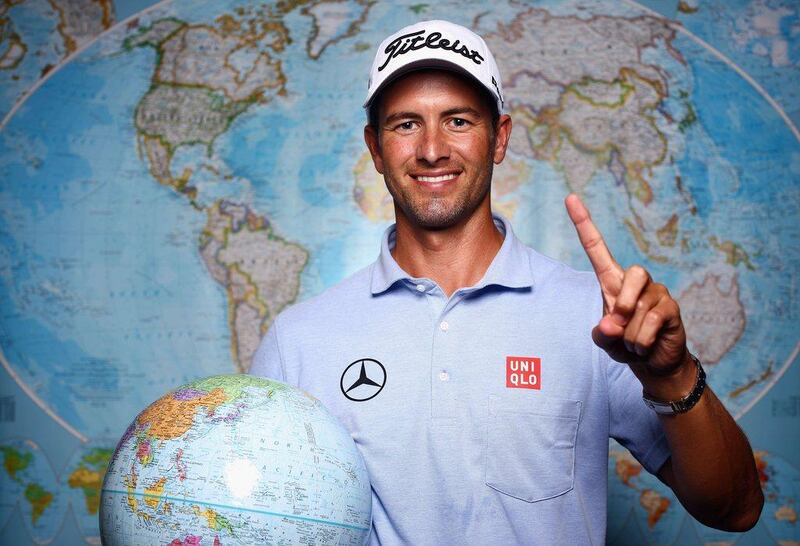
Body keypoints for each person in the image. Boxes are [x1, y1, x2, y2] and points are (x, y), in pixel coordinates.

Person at [251, 19, 763, 544]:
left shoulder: (599, 318)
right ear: (375, 148)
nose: (431, 149)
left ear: (499, 138)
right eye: (406, 124)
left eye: (458, 121)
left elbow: (737, 508)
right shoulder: (298, 342)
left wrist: (674, 376)